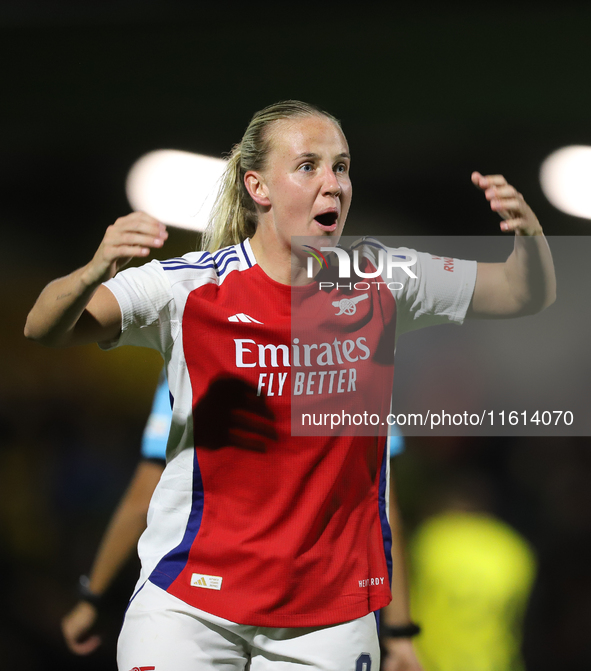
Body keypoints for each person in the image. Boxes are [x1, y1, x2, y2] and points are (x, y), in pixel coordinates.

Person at [25, 100, 555, 671]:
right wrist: (93, 269)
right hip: (189, 603)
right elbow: (44, 328)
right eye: (309, 166)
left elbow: (524, 293)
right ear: (259, 187)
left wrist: (530, 238)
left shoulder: (382, 277)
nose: (334, 184)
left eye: (342, 167)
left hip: (328, 617)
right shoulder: (189, 287)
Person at [61, 369, 171, 655]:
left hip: (205, 587)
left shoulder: (187, 361)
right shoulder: (303, 356)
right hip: (298, 585)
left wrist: (91, 598)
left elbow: (143, 501)